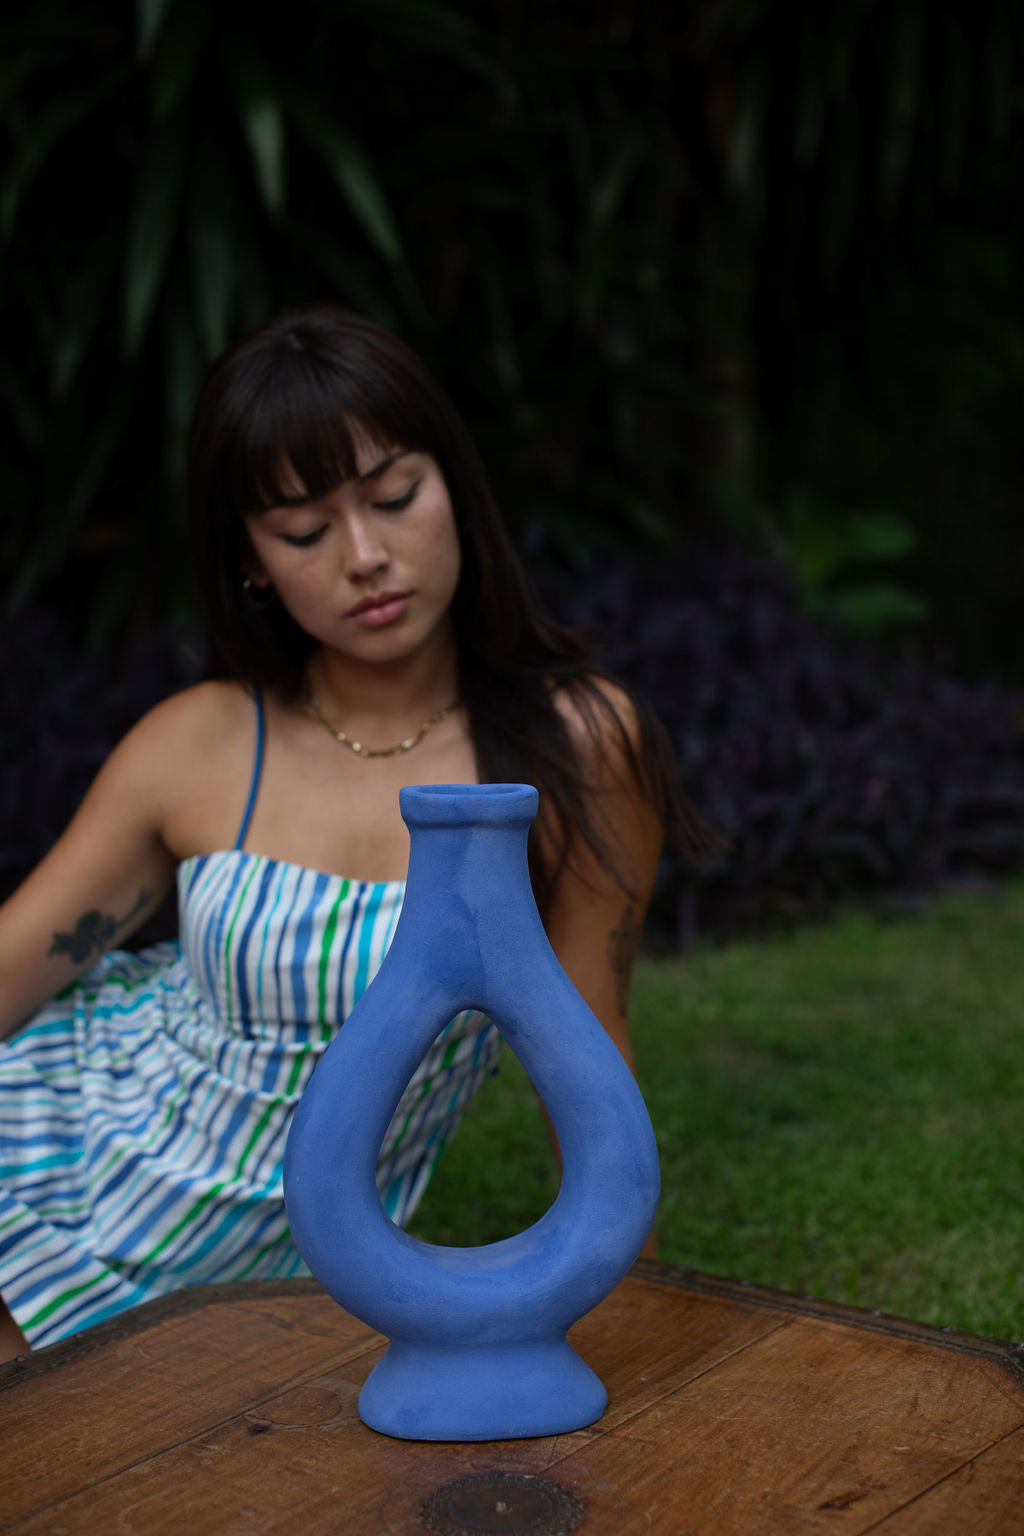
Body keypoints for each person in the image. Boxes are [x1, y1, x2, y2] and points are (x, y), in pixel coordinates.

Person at [0, 306, 704, 1363]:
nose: (366, 556)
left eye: (393, 498)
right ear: (250, 561)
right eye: (302, 531)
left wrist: (637, 1327)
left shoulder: (575, 747)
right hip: (56, 1160)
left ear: (455, 488)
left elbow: (587, 1057)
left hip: (293, 1282)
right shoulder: (199, 743)